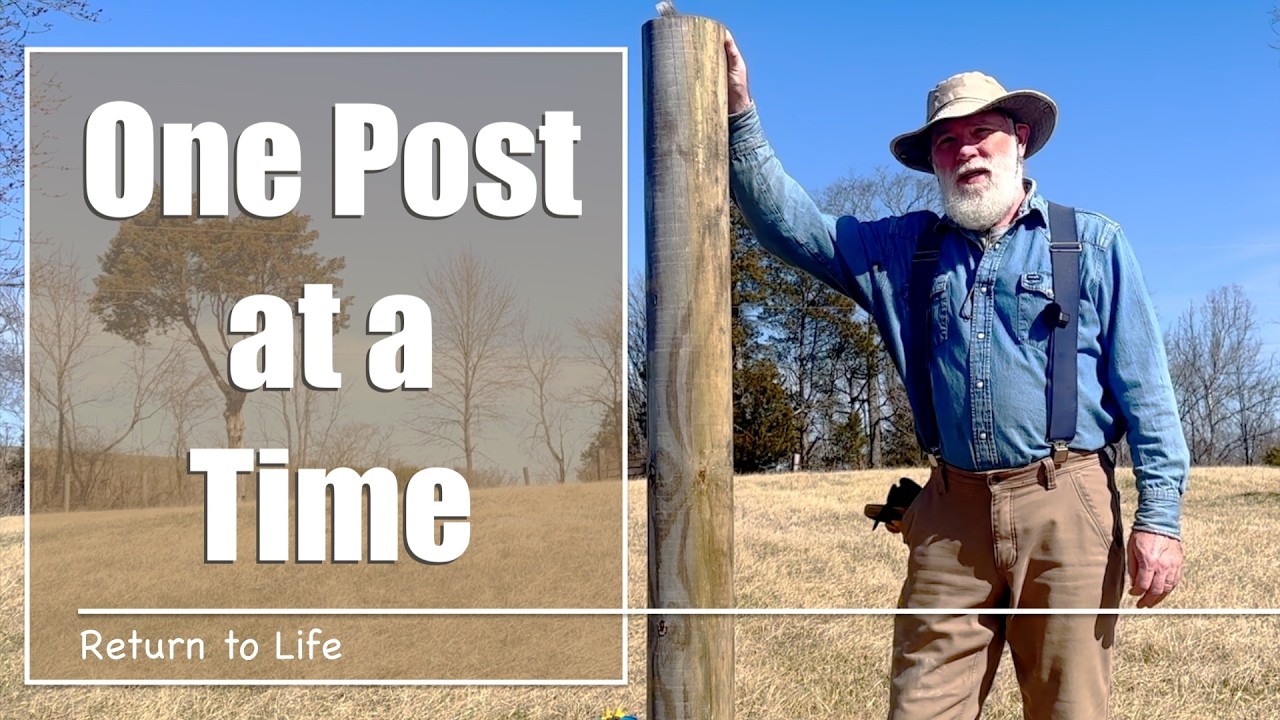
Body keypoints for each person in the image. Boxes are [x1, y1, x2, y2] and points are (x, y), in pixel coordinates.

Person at [722, 32, 1189, 720]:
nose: (966, 149)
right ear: (933, 161)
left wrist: (1161, 519)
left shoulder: (1090, 242)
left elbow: (1147, 390)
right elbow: (791, 228)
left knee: (1070, 709)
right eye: (947, 140)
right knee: (921, 707)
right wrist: (740, 114)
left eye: (983, 133)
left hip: (1067, 503)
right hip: (948, 514)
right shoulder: (902, 250)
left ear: (1020, 140)